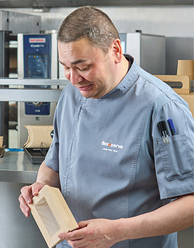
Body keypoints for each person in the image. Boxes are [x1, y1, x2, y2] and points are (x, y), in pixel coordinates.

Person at [18, 6, 194, 248]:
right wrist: (42, 187)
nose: (73, 78)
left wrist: (117, 231)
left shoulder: (162, 107)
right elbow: (54, 164)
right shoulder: (71, 96)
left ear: (115, 50)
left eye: (83, 66)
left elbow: (190, 203)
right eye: (66, 67)